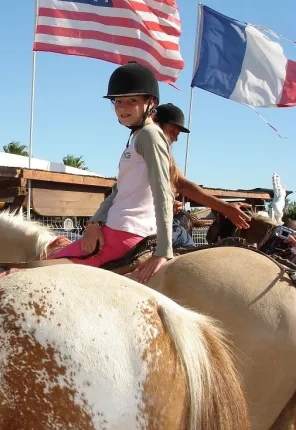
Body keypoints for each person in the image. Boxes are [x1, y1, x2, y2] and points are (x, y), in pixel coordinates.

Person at [49, 61, 174, 283]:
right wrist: (95, 223)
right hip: (115, 229)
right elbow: (118, 191)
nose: (123, 107)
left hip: (126, 232)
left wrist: (163, 251)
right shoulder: (137, 136)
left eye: (132, 101)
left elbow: (163, 191)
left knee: (46, 272)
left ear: (150, 102)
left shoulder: (150, 136)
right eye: (118, 101)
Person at [153, 103, 252, 249]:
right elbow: (182, 184)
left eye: (177, 134)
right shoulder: (154, 148)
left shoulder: (154, 151)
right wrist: (225, 208)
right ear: (156, 124)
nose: (175, 139)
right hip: (153, 223)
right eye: (172, 132)